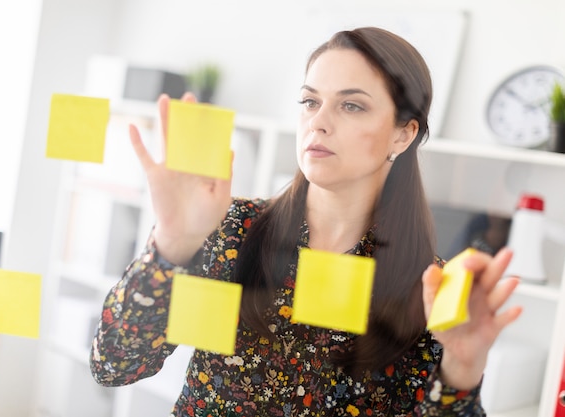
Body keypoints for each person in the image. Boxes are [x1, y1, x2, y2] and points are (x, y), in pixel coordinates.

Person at [90, 27, 522, 416]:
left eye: (351, 105)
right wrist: (171, 243)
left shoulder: (429, 290)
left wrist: (463, 371)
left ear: (403, 134)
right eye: (310, 101)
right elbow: (113, 366)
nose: (318, 121)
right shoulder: (232, 230)